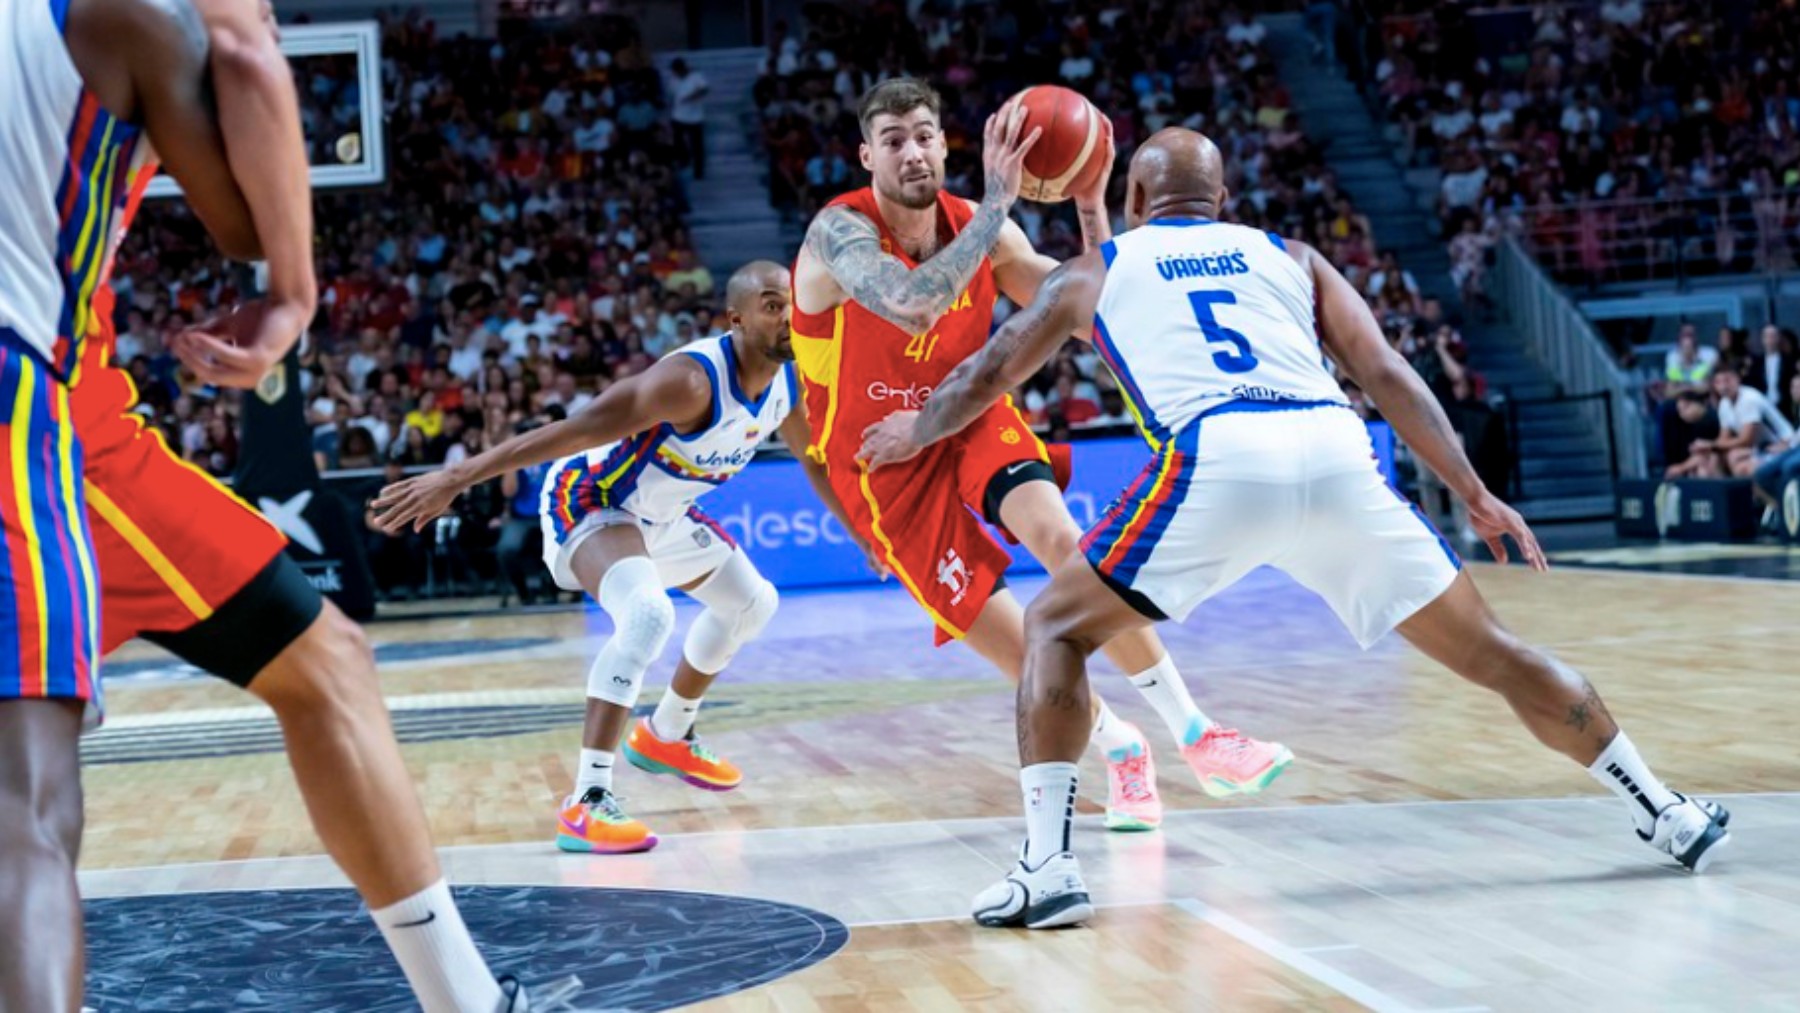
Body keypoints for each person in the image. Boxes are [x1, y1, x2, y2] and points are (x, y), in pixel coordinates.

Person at [861, 129, 1730, 929]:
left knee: (1054, 624)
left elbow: (984, 373)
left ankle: (1049, 866)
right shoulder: (1291, 255)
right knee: (1497, 652)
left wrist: (914, 430)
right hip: (1337, 451)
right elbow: (1386, 371)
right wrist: (1472, 489)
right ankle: (1666, 807)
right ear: (1225, 196)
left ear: (1133, 203)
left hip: (1220, 456)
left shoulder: (1091, 272)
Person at [10, 2, 541, 1008]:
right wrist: (290, 293)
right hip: (44, 420)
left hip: (69, 410)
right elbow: (245, 65)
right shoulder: (117, 21)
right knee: (32, 815)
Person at [792, 78, 1289, 834]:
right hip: (882, 463)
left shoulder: (988, 232)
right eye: (893, 139)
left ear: (944, 143)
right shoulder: (838, 235)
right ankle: (1121, 745)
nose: (913, 150)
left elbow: (1096, 311)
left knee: (1069, 548)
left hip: (966, 416)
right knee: (1027, 649)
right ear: (868, 156)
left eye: (924, 133)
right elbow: (914, 300)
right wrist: (1000, 200)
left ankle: (1197, 731)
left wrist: (1091, 204)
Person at [374, 262, 812, 853]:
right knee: (649, 616)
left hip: (662, 516)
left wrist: (867, 533)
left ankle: (667, 735)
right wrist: (459, 475)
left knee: (753, 604)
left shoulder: (790, 381)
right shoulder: (690, 381)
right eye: (771, 304)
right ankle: (586, 802)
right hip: (592, 499)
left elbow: (815, 458)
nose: (788, 315)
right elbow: (578, 429)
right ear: (736, 319)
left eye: (793, 302)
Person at [667, 57, 710, 179]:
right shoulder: (673, 81)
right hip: (678, 115)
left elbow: (705, 89)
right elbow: (672, 96)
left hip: (695, 117)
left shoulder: (696, 76)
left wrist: (691, 97)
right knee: (678, 142)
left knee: (697, 146)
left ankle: (698, 172)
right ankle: (684, 161)